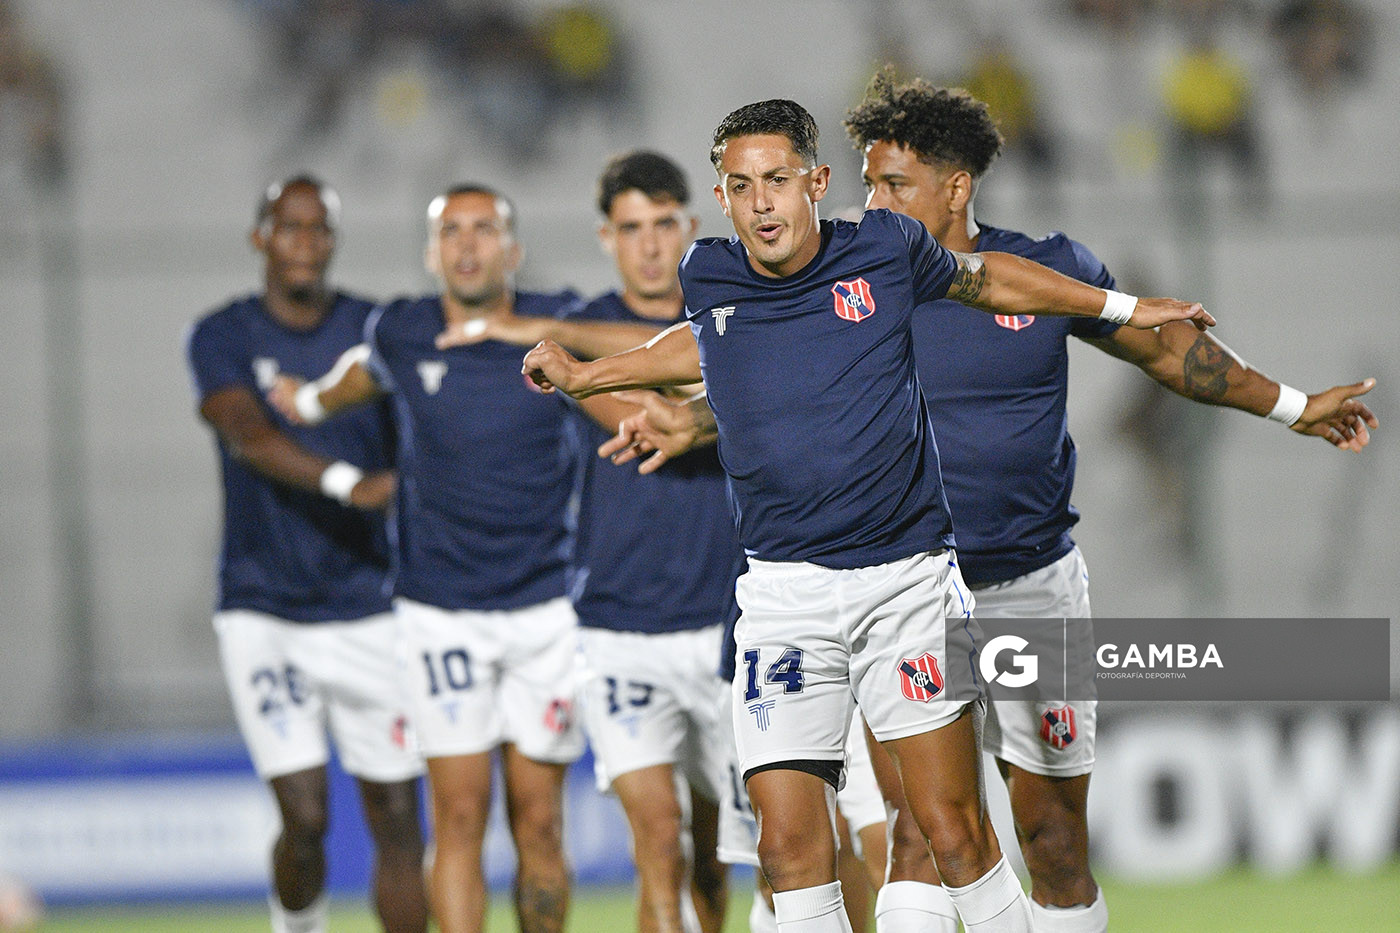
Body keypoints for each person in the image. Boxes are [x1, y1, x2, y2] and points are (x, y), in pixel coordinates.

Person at [519, 98, 1214, 933]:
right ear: (722, 195)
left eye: (777, 181)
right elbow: (698, 339)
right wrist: (587, 375)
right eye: (741, 187)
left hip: (904, 586)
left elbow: (987, 277)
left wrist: (1123, 309)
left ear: (816, 183)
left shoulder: (885, 250)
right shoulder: (708, 271)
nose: (762, 202)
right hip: (782, 598)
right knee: (786, 851)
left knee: (952, 833)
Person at [268, 185, 584, 933]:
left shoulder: (554, 325)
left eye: (484, 230)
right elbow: (360, 370)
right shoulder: (404, 330)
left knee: (538, 821)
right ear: (431, 250)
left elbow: (627, 354)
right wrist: (310, 403)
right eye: (451, 231)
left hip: (545, 609)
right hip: (439, 611)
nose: (467, 244)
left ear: (513, 250)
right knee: (460, 813)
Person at [441, 151, 737, 933]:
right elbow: (645, 418)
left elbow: (685, 385)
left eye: (663, 225)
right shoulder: (582, 342)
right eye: (631, 228)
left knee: (723, 854)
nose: (648, 244)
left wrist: (584, 354)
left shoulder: (730, 313)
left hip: (729, 622)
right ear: (607, 237)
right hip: (618, 622)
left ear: (691, 227)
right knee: (658, 841)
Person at [185, 176, 427, 933]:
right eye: (289, 227)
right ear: (260, 235)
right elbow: (244, 429)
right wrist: (346, 481)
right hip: (266, 608)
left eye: (318, 229)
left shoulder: (372, 328)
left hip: (369, 604)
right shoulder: (225, 333)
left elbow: (423, 427)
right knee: (306, 813)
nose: (305, 242)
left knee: (396, 821)